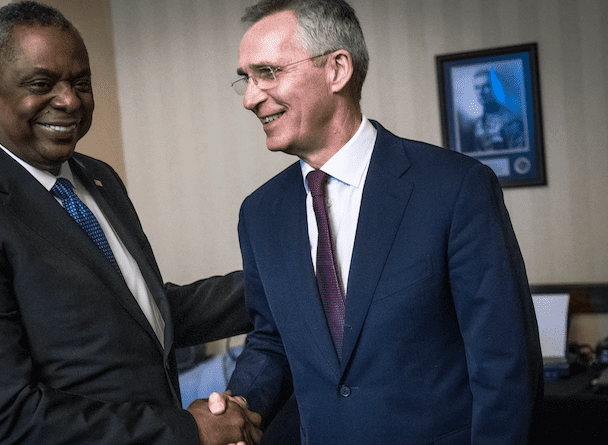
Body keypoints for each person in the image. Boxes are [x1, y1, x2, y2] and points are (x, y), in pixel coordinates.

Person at [0, 2, 260, 444]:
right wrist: (185, 431)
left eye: (80, 83)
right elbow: (3, 420)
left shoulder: (96, 178)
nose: (68, 100)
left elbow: (141, 312)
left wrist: (287, 281)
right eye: (42, 84)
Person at [210, 0, 544, 443]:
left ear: (337, 69)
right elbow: (273, 340)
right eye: (246, 80)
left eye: (268, 73)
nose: (251, 98)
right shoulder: (259, 213)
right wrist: (238, 407)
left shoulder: (454, 187)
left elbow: (506, 365)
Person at [468, 68, 527, 152]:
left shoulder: (511, 121)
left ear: (495, 88)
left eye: (486, 86)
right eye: (477, 87)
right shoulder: (476, 123)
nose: (481, 92)